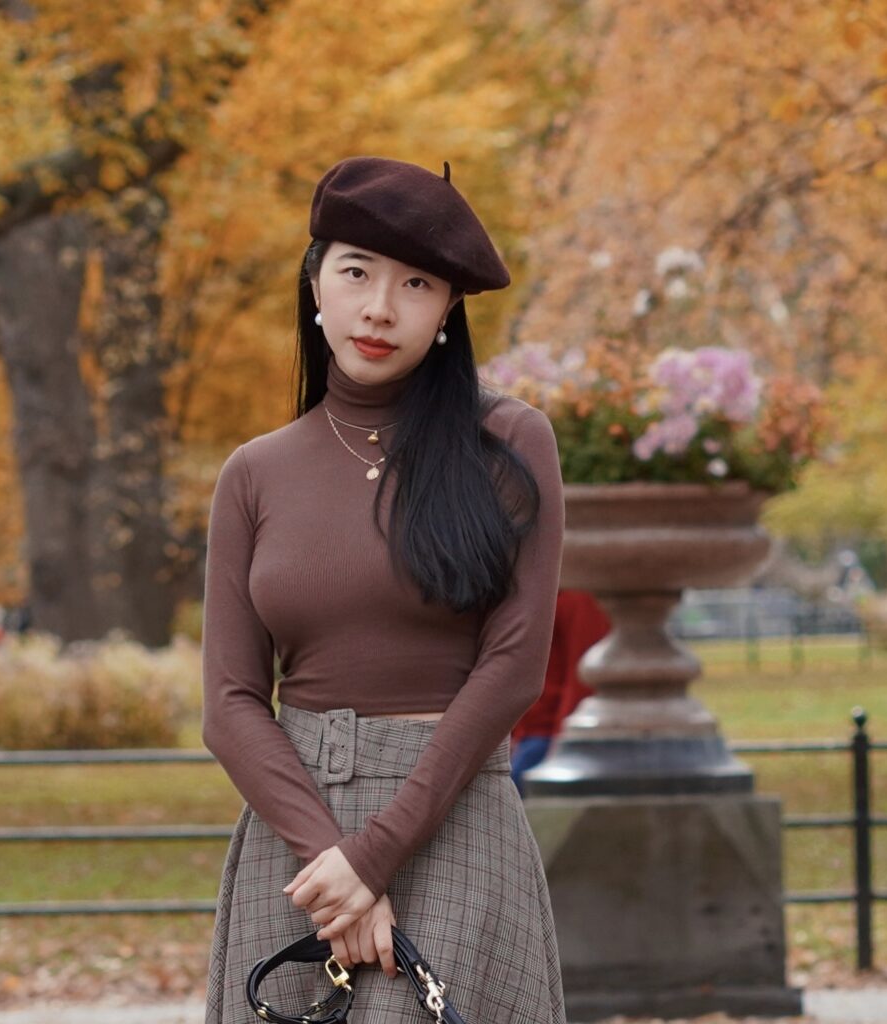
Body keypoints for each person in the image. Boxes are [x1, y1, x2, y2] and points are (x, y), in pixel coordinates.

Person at [201, 156, 566, 1023]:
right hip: (297, 845)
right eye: (356, 272)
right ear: (315, 284)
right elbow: (230, 701)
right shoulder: (254, 474)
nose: (379, 308)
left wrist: (375, 855)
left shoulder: (508, 442)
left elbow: (513, 667)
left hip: (454, 819)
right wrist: (336, 860)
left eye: (416, 284)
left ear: (447, 310)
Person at [509, 589, 611, 793]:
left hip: (547, 740)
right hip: (527, 737)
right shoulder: (547, 591)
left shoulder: (577, 595)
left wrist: (561, 744)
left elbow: (581, 679)